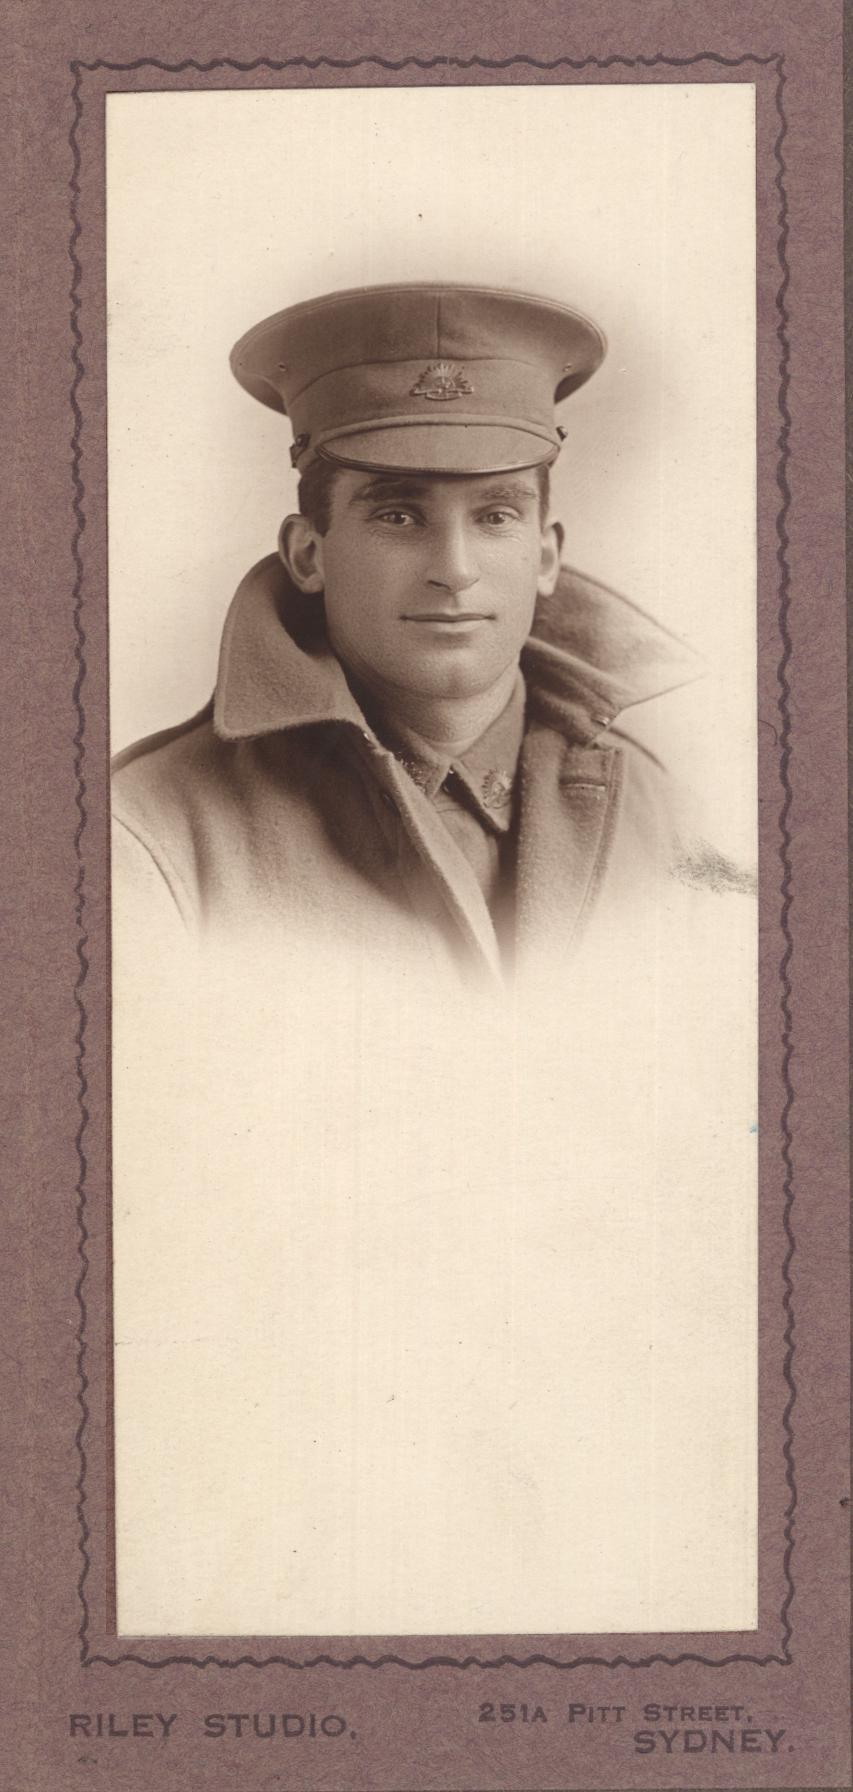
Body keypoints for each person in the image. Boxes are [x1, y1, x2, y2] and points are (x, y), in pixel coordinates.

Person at [111, 281, 724, 988]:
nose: (455, 571)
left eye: (495, 516)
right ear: (309, 554)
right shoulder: (146, 834)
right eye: (398, 516)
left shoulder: (670, 814)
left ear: (546, 555)